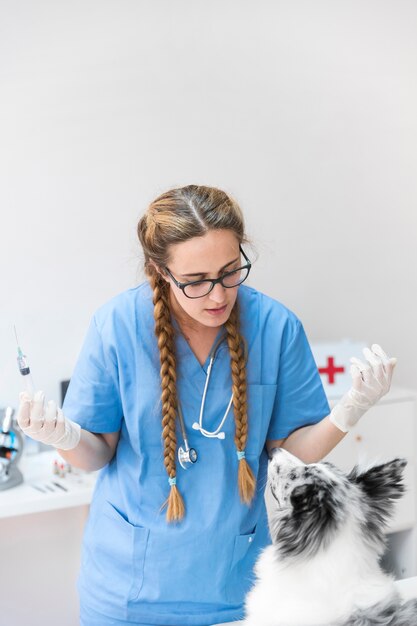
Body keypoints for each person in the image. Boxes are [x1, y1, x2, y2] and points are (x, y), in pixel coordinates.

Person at [17, 185, 397, 626]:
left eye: (230, 271)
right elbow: (95, 453)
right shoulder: (117, 326)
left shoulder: (275, 327)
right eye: (196, 282)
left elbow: (291, 452)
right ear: (159, 272)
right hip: (129, 592)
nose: (218, 296)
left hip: (234, 585)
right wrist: (60, 435)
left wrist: (350, 408)